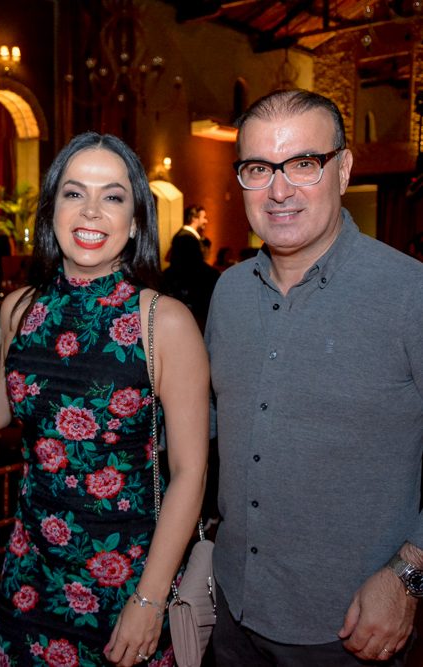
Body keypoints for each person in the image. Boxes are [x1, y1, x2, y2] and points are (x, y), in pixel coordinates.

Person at [206, 88, 423, 666]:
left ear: (343, 169)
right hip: (232, 609)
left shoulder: (409, 294)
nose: (279, 190)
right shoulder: (228, 293)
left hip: (349, 628)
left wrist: (410, 577)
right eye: (259, 168)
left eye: (303, 163)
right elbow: (207, 427)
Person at [0, 132, 209, 666]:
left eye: (112, 196)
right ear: (51, 211)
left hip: (128, 583)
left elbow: (190, 473)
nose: (91, 210)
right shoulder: (19, 310)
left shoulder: (164, 322)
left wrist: (150, 599)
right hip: (30, 576)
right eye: (74, 193)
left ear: (135, 221)